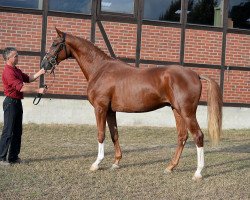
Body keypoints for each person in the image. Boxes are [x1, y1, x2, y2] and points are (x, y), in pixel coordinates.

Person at [0, 47, 46, 166]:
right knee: (8, 131)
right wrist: (38, 90)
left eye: (17, 55)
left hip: (17, 102)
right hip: (10, 103)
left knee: (17, 131)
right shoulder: (8, 72)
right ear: (9, 58)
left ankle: (13, 157)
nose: (18, 57)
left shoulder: (16, 70)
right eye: (15, 56)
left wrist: (40, 72)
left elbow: (29, 79)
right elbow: (21, 87)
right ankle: (1, 158)